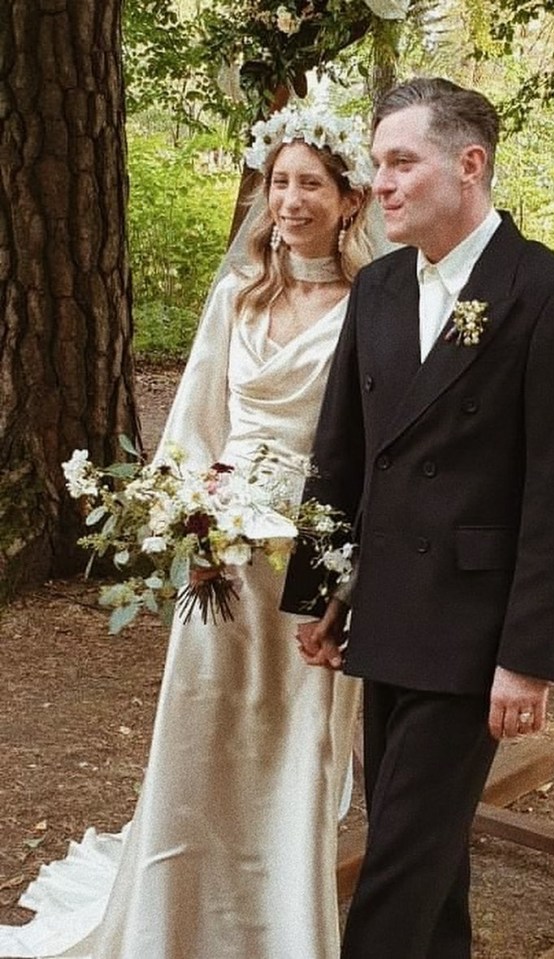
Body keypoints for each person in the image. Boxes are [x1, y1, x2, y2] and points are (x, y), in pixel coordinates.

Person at [0, 103, 383, 959]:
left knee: (295, 743)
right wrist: (192, 525)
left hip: (315, 557)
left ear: (351, 199)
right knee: (206, 728)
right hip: (223, 557)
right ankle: (174, 915)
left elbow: (371, 445)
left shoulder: (372, 308)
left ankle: (280, 926)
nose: (289, 200)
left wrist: (346, 562)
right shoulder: (236, 300)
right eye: (279, 182)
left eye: (310, 184)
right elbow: (192, 428)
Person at [281, 77, 554, 959]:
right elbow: (342, 452)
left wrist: (527, 658)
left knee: (397, 857)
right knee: (426, 855)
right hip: (384, 615)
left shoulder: (552, 296)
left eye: (402, 162)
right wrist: (323, 594)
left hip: (473, 633)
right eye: (378, 163)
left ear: (469, 166)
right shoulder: (382, 287)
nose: (381, 183)